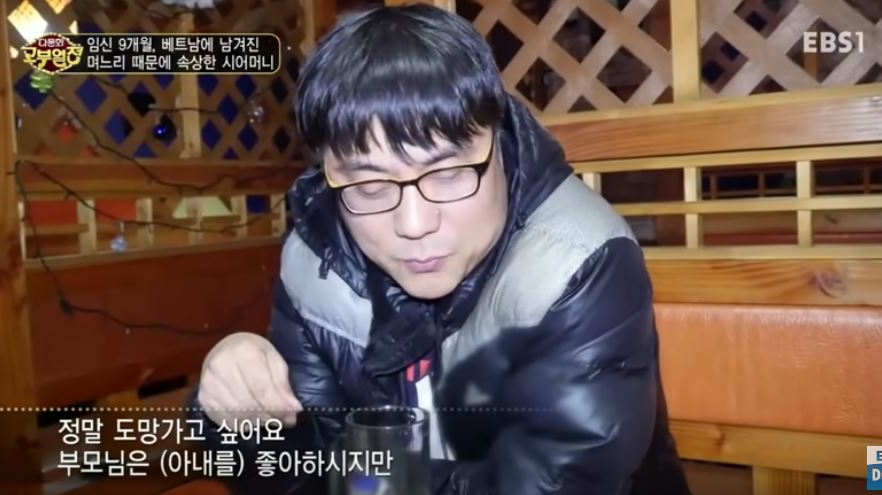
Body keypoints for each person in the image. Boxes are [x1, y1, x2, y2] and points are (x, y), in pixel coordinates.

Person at [191, 3, 692, 494]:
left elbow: (558, 482)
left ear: (498, 142)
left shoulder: (577, 260)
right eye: (370, 186)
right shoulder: (316, 259)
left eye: (449, 174)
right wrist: (229, 404)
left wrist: (369, 478)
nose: (414, 225)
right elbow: (290, 470)